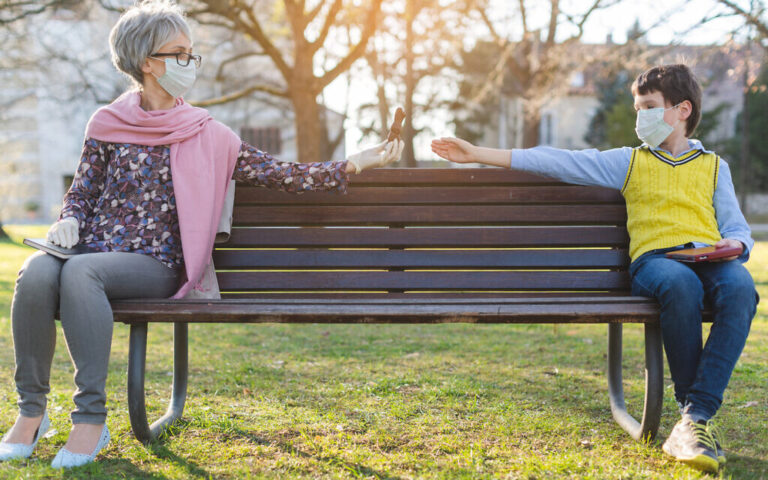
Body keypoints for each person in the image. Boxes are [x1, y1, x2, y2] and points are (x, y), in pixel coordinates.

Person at [0, 0, 403, 469]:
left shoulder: (208, 132)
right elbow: (82, 193)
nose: (189, 62)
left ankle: (90, 418)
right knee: (34, 273)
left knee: (81, 273)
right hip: (93, 251)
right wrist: (69, 219)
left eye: (191, 53)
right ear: (147, 63)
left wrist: (355, 163)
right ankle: (31, 412)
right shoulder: (106, 124)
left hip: (157, 264)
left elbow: (281, 174)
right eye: (179, 53)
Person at [432, 64, 757, 474]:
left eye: (651, 107)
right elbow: (557, 161)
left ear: (683, 109)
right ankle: (695, 419)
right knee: (680, 285)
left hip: (708, 258)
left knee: (742, 288)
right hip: (656, 264)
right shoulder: (628, 162)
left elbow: (736, 227)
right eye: (638, 108)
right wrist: (479, 154)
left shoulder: (714, 166)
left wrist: (737, 244)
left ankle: (694, 418)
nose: (642, 118)